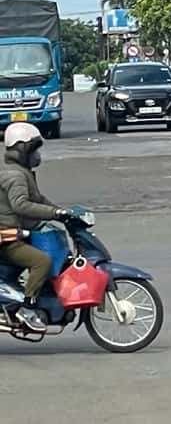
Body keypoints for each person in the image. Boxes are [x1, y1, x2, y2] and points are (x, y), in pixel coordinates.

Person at [0, 123, 71, 332]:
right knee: (42, 261)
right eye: (34, 149)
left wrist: (63, 213)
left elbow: (39, 199)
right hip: (8, 238)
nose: (37, 155)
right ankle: (28, 308)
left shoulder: (22, 173)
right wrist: (55, 214)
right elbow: (21, 205)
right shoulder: (15, 176)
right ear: (23, 149)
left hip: (18, 233)